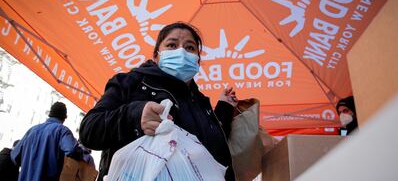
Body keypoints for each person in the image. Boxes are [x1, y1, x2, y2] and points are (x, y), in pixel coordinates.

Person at [79, 22, 239, 181]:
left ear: (197, 60)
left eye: (190, 47)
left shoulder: (201, 102)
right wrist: (135, 116)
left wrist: (224, 109)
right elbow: (90, 130)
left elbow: (210, 149)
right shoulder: (131, 83)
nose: (181, 51)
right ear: (156, 55)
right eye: (171, 45)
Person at [11, 102, 83, 181]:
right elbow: (71, 150)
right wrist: (80, 151)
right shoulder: (62, 131)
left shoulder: (32, 130)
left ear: (50, 114)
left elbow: (15, 156)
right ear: (65, 117)